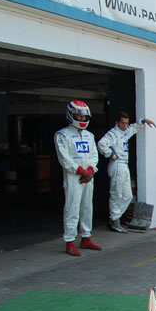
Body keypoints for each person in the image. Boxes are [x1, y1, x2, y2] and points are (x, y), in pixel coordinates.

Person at [54, 100, 102, 256]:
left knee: (87, 206)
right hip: (73, 177)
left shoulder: (89, 135)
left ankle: (86, 238)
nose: (82, 119)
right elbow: (64, 159)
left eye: (84, 116)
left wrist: (90, 170)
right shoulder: (62, 135)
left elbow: (94, 156)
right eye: (78, 116)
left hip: (88, 176)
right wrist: (81, 171)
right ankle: (69, 241)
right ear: (71, 115)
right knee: (72, 207)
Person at [98, 112, 156, 233]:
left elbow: (133, 128)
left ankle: (114, 218)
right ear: (117, 123)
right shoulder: (112, 134)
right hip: (117, 165)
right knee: (116, 194)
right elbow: (101, 144)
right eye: (122, 123)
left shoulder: (125, 132)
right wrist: (110, 154)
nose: (125, 126)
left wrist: (143, 121)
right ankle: (115, 220)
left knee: (128, 196)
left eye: (126, 123)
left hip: (124, 165)